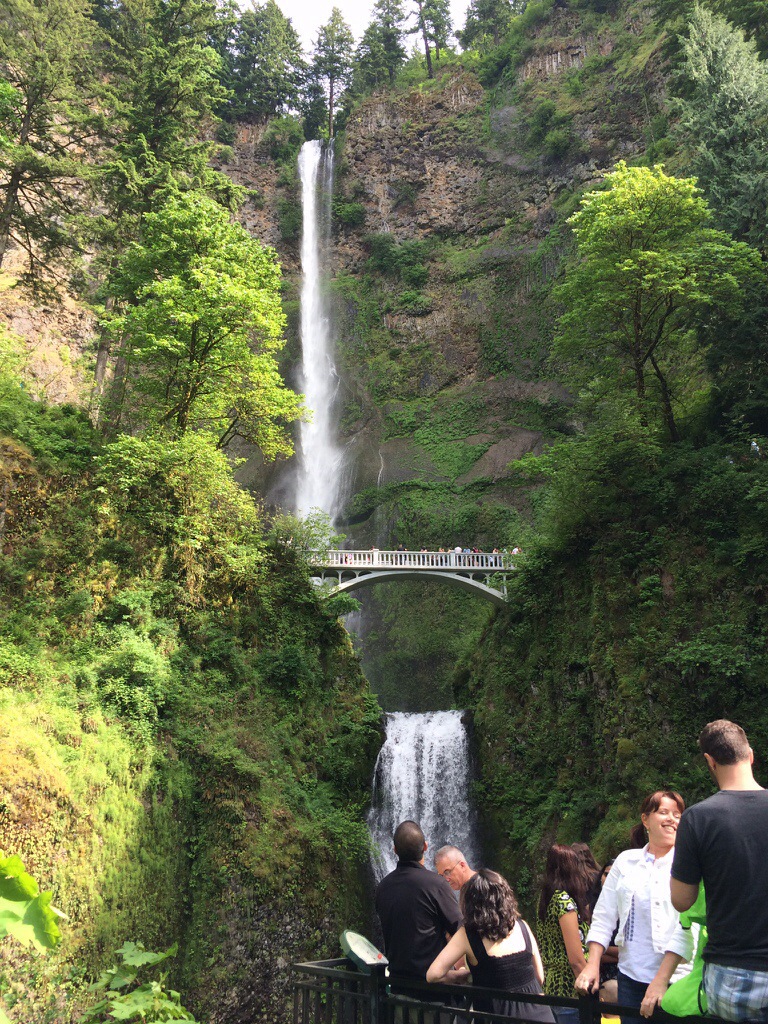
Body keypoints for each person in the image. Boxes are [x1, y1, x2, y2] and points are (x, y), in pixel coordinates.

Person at [671, 720, 768, 1022]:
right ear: (750, 755)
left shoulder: (698, 818)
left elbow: (681, 900)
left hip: (733, 973)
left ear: (709, 761)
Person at [574, 792, 694, 1022]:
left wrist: (660, 980)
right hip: (631, 978)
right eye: (663, 812)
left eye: (677, 814)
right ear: (646, 819)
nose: (672, 819)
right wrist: (592, 965)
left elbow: (689, 927)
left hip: (677, 980)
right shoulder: (625, 861)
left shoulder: (688, 862)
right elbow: (604, 916)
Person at [427, 868, 555, 1023]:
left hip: (497, 1016)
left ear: (470, 903)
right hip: (540, 1015)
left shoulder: (467, 935)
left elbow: (433, 974)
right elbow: (539, 977)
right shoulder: (523, 926)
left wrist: (462, 976)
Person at [375, 820, 461, 987]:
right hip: (435, 993)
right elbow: (461, 931)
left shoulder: (382, 888)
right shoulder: (437, 884)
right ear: (426, 847)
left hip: (398, 988)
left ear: (394, 850)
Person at [537, 844, 592, 1024]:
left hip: (551, 987)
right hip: (570, 990)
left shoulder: (545, 898)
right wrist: (591, 987)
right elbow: (576, 959)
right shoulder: (564, 902)